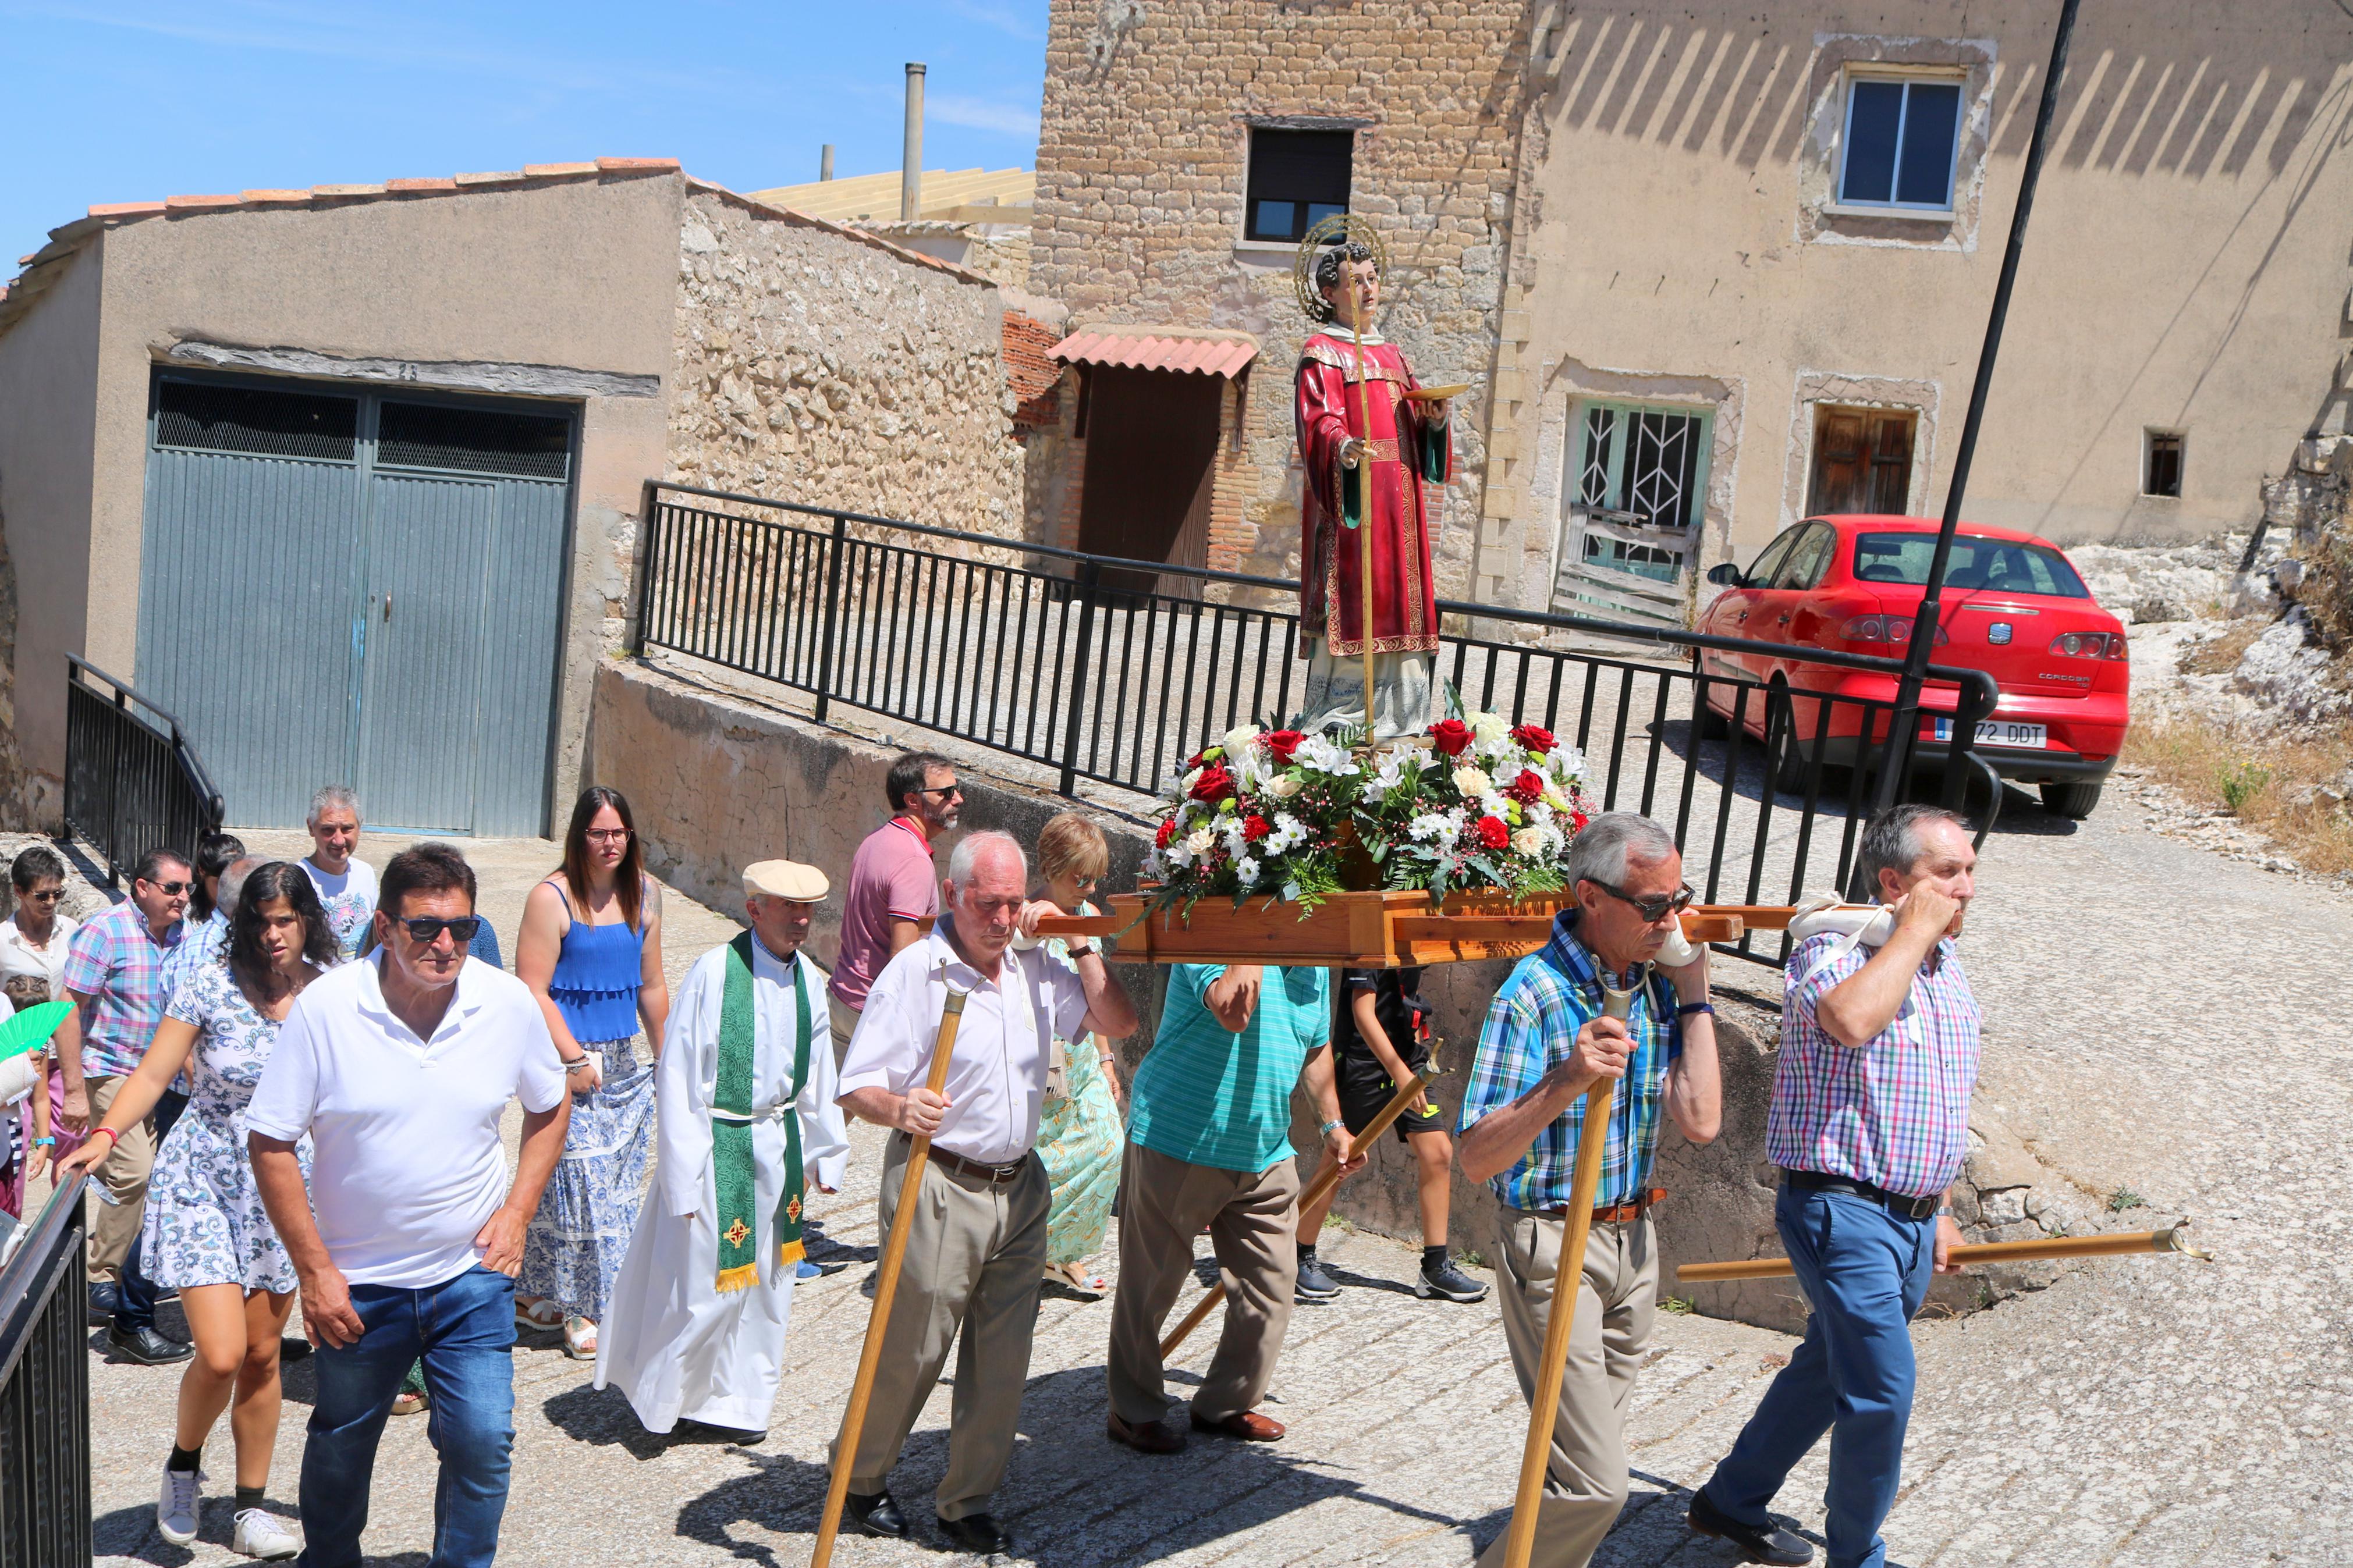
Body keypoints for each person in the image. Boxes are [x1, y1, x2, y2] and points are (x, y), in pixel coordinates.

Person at [247, 843, 569, 1568]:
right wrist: (315, 1270)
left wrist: (517, 1211)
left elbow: (550, 1108)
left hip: (470, 1276)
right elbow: (269, 1142)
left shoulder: (506, 1002)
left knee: (482, 1441)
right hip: (358, 1285)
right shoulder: (328, 1009)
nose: (445, 944)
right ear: (386, 928)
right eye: (424, 928)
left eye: (461, 926)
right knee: (341, 1442)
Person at [1685, 805, 1981, 1568]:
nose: (1966, 887)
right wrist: (1912, 930)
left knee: (1828, 1363)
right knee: (1881, 1389)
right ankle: (1859, 1556)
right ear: (1893, 880)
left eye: (1970, 869)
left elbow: (1938, 1093)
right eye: (1947, 871)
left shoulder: (1943, 965)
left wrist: (1941, 1209)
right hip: (1842, 1209)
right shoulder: (1830, 944)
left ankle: (1730, 1498)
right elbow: (1848, 1018)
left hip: (1911, 1218)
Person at [832, 831, 1138, 1553]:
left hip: (1020, 1185)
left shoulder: (1036, 965)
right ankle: (861, 1476)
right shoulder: (918, 972)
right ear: (951, 896)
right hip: (939, 1179)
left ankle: (964, 1500)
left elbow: (1118, 1023)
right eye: (988, 905)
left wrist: (1077, 940)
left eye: (1012, 904)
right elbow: (855, 1086)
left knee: (1003, 1358)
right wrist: (900, 1108)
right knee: (913, 1345)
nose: (1002, 920)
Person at [1453, 812, 1722, 1568]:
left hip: (1634, 1245)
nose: (1668, 920)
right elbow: (1474, 1157)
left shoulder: (1652, 986)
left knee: (1569, 1469)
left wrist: (1695, 989)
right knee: (1598, 1487)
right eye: (1651, 905)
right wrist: (1565, 1078)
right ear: (1588, 897)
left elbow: (1700, 1120)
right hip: (1551, 1241)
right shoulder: (1530, 994)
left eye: (1678, 899)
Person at [58, 862, 340, 1561]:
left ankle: (249, 1509)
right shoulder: (209, 980)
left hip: (285, 1185)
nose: (274, 935)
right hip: (206, 1174)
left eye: (286, 920)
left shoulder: (331, 994)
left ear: (308, 922)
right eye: (261, 921)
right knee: (221, 1353)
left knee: (265, 1354)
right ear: (243, 923)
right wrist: (101, 1134)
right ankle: (184, 1463)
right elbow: (154, 1072)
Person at [596, 859, 849, 1442]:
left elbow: (816, 1074)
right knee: (705, 1285)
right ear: (754, 908)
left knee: (767, 1283)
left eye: (807, 909)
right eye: (788, 908)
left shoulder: (809, 980)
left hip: (777, 1146)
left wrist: (824, 1150)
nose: (801, 920)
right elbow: (679, 1075)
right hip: (720, 1146)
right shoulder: (715, 973)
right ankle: (669, 1400)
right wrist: (683, 1173)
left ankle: (739, 1405)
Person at [1103, 961, 1357, 1456]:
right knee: (1150, 1283)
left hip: (1264, 1145)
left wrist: (1332, 1125)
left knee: (1271, 1284)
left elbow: (1314, 1043)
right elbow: (1232, 1010)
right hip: (1180, 1136)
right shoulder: (1211, 924)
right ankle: (1133, 1410)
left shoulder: (1316, 951)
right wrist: (1255, 938)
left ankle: (1224, 1402)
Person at [514, 787, 670, 1361]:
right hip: (564, 1057)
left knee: (614, 1191)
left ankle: (532, 1294)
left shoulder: (646, 895)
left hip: (626, 1063)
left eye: (618, 832)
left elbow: (651, 986)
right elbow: (531, 988)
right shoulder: (549, 899)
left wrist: (670, 1057)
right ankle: (593, 1307)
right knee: (585, 1186)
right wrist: (572, 1058)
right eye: (598, 832)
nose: (609, 843)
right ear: (580, 835)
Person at [1293, 236, 1453, 738]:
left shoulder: (1392, 353)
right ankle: (1345, 717)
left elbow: (1412, 421)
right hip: (1354, 503)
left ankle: (1401, 718)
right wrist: (1341, 446)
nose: (1368, 289)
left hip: (1399, 504)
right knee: (1359, 594)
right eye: (1355, 281)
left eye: (1372, 278)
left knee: (1399, 595)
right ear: (1330, 292)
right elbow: (1316, 421)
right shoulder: (1322, 351)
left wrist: (1434, 420)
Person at [50, 845, 192, 1361]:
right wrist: (71, 1087)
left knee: (159, 1176)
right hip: (111, 1069)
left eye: (187, 889)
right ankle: (100, 1277)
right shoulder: (106, 931)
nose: (182, 898)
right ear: (142, 888)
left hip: (167, 1077)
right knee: (134, 1172)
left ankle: (125, 1272)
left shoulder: (185, 936)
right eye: (173, 888)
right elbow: (69, 1009)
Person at [1294, 963, 1488, 1304]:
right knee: (1341, 1156)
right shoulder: (1371, 936)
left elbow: (1406, 999)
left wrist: (1412, 1056)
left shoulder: (1416, 937)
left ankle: (1435, 1268)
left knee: (1438, 1152)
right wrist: (1399, 1073)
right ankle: (1297, 1255)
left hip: (1410, 1063)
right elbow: (1362, 1012)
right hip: (1364, 1067)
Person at [1026, 812, 1124, 1299]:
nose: (1087, 887)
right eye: (1078, 877)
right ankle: (1035, 1251)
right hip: (1045, 1059)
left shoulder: (1086, 917)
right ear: (1050, 866)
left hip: (1083, 1056)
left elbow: (1097, 995)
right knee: (1046, 1158)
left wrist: (1107, 1060)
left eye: (1094, 878)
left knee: (1108, 1145)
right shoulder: (1034, 919)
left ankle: (1060, 1250)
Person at [827, 751, 961, 1065]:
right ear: (913, 800)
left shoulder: (877, 840)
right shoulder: (912, 860)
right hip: (874, 1011)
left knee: (829, 1112)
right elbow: (902, 957)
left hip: (844, 998)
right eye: (946, 793)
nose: (958, 800)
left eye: (956, 789)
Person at [4, 846, 83, 1211]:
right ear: (18, 891)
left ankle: (61, 1217)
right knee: (20, 1139)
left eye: (58, 894)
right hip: (20, 1054)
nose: (52, 902)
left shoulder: (73, 932)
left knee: (70, 1135)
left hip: (65, 1052)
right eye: (42, 895)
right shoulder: (2, 942)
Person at [296, 786, 377, 961]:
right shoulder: (296, 880)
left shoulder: (366, 873)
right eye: (328, 830)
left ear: (359, 827)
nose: (339, 840)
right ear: (311, 828)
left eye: (347, 829)